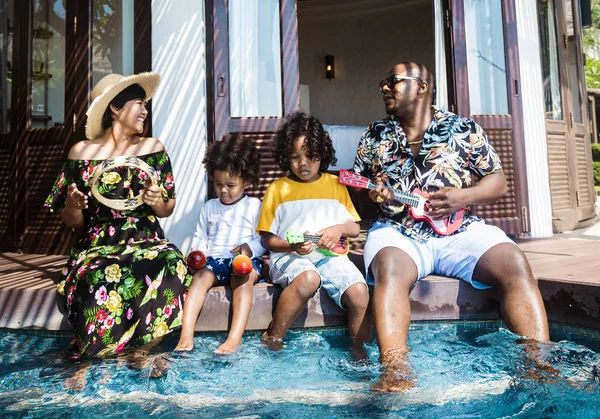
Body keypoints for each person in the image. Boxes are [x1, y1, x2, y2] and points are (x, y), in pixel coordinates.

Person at [354, 62, 549, 391]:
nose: (384, 88)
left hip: (461, 229)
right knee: (389, 269)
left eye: (393, 82)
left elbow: (498, 182)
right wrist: (367, 192)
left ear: (421, 87)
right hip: (398, 231)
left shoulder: (463, 128)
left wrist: (464, 196)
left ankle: (537, 364)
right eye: (382, 82)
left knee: (514, 262)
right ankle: (396, 370)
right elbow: (356, 189)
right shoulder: (374, 135)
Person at [45, 72, 193, 364]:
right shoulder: (82, 153)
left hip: (146, 239)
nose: (145, 110)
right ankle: (97, 357)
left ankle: (143, 350)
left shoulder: (153, 149)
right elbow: (71, 220)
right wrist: (75, 205)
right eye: (139, 103)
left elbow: (167, 207)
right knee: (97, 276)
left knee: (171, 264)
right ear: (115, 108)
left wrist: (156, 200)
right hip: (97, 244)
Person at [258, 112, 371, 354]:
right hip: (289, 258)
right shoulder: (278, 189)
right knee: (309, 279)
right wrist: (291, 247)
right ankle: (273, 336)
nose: (303, 163)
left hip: (329, 258)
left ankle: (358, 350)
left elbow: (353, 228)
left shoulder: (335, 186)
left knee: (360, 293)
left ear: (323, 155)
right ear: (285, 157)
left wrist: (338, 228)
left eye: (311, 156)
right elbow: (266, 238)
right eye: (295, 157)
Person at [175, 134, 265, 354]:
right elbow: (201, 236)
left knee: (242, 281)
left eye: (230, 185)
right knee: (198, 279)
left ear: (247, 181)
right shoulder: (209, 207)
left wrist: (249, 248)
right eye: (218, 184)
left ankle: (234, 338)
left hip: (244, 262)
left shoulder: (254, 206)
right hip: (215, 260)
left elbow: (264, 240)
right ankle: (186, 335)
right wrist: (199, 253)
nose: (223, 190)